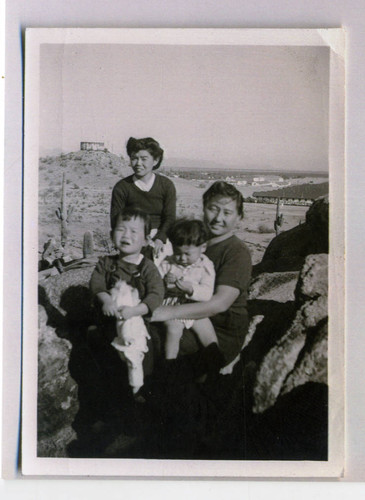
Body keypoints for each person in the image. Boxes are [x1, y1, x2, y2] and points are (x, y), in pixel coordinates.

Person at [151, 181, 252, 365]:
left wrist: (167, 312)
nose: (218, 218)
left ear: (239, 217)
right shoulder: (193, 243)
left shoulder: (236, 252)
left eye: (227, 213)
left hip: (218, 330)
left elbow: (219, 304)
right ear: (204, 208)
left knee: (152, 339)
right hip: (188, 316)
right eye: (213, 209)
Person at [90, 207, 165, 392]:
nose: (126, 235)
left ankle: (141, 391)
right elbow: (96, 285)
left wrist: (135, 310)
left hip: (138, 325)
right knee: (102, 354)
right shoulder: (106, 263)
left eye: (134, 231)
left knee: (145, 355)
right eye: (121, 229)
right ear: (111, 233)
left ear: (147, 240)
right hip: (110, 323)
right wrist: (107, 301)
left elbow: (156, 295)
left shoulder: (147, 267)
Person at [157, 219, 217, 359]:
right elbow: (155, 283)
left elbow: (207, 293)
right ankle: (170, 365)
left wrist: (191, 289)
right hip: (172, 306)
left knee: (209, 335)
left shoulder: (205, 266)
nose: (182, 258)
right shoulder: (168, 263)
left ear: (202, 247)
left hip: (195, 307)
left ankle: (216, 367)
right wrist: (164, 282)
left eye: (188, 254)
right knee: (173, 330)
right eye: (178, 252)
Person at [110, 137, 176, 264]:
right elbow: (116, 219)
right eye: (134, 158)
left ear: (155, 161)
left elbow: (170, 217)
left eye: (144, 159)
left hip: (161, 237)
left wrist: (159, 239)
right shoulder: (122, 187)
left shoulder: (166, 185)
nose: (138, 163)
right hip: (132, 235)